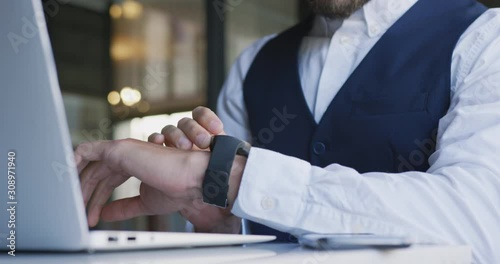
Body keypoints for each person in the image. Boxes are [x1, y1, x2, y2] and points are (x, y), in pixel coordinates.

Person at [75, 0, 500, 262]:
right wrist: (217, 218)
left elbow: (480, 230)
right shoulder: (254, 63)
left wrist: (227, 175)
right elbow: (242, 239)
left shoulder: (485, 39)